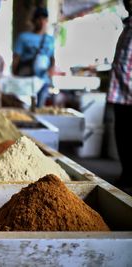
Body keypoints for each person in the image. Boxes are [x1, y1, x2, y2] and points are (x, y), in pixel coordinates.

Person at [108, 0, 132, 188]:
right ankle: (127, 174)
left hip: (129, 94)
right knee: (123, 136)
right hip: (120, 94)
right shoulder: (127, 26)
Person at [12, 7, 55, 107]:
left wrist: (51, 71)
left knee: (40, 107)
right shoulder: (23, 37)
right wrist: (14, 74)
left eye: (44, 19)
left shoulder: (50, 40)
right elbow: (16, 57)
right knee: (24, 106)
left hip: (43, 79)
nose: (41, 21)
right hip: (26, 78)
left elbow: (52, 57)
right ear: (34, 21)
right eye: (39, 18)